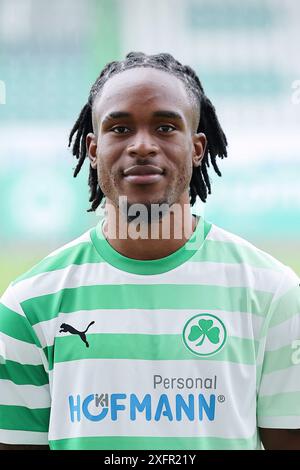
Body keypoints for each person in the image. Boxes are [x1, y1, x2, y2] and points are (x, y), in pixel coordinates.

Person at [0, 52, 299, 451]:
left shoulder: (274, 294)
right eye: (120, 128)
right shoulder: (28, 304)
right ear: (93, 149)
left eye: (164, 127)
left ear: (196, 148)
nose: (142, 146)